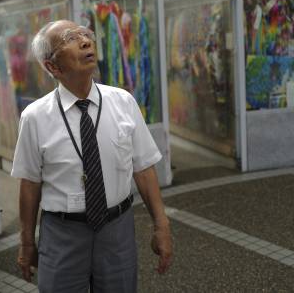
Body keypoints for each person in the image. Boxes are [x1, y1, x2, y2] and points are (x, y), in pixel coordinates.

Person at [11, 20, 173, 292]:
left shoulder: (123, 102)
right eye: (70, 39)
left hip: (117, 229)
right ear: (53, 66)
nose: (86, 42)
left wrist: (162, 225)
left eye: (85, 35)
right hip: (62, 233)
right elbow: (29, 183)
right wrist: (26, 243)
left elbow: (143, 168)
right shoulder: (35, 117)